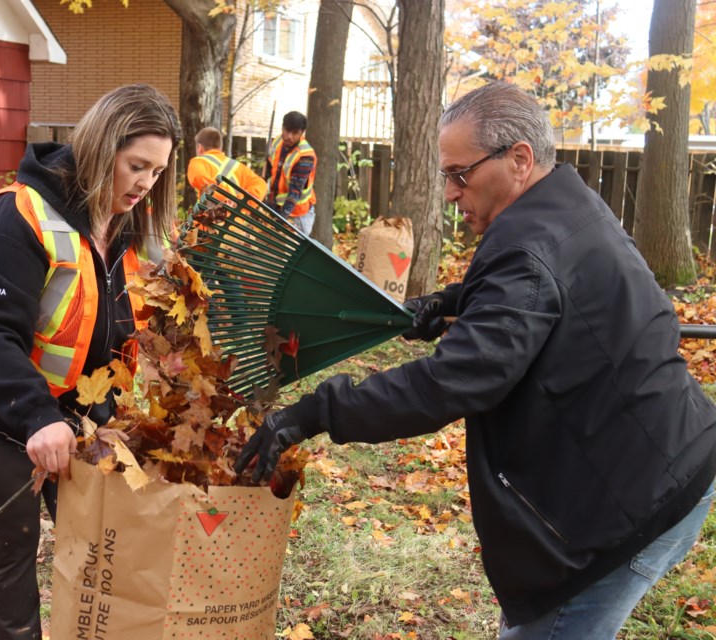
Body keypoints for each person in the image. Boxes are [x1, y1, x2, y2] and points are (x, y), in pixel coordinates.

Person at [235, 81, 716, 639]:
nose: (450, 193)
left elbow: (453, 382)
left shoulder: (524, 248)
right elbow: (547, 284)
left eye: (460, 174)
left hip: (628, 501)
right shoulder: (565, 205)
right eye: (447, 175)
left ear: (519, 159)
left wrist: (315, 412)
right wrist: (446, 302)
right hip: (668, 457)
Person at [0, 84, 181, 640]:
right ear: (100, 149)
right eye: (137, 165)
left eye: (159, 172)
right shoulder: (22, 215)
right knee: (14, 546)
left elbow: (113, 328)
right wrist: (37, 418)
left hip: (68, 408)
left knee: (102, 535)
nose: (146, 183)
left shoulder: (128, 226)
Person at [264, 111, 317, 235]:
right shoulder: (276, 142)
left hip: (297, 215)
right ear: (282, 127)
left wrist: (281, 220)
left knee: (294, 252)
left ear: (302, 133)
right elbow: (269, 170)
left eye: (295, 133)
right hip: (276, 207)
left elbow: (295, 192)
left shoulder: (305, 156)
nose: (289, 136)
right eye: (287, 131)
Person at [187, 126, 267, 203]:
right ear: (220, 147)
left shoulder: (197, 162)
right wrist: (239, 202)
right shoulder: (239, 166)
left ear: (200, 147)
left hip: (210, 216)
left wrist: (226, 200)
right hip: (237, 217)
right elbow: (261, 184)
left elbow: (200, 179)